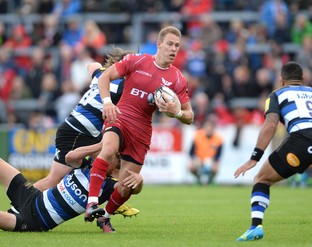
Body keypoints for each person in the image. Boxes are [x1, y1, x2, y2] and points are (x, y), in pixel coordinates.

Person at [84, 25, 194, 233]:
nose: (173, 49)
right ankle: (91, 204)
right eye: (169, 44)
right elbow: (104, 77)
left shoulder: (177, 79)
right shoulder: (137, 61)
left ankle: (104, 217)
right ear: (159, 44)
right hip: (121, 116)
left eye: (177, 46)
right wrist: (108, 102)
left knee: (128, 185)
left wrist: (176, 112)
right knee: (107, 150)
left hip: (142, 130)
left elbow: (190, 116)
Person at [0, 156, 143, 232]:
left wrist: (139, 182)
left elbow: (125, 191)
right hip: (33, 197)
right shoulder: (88, 164)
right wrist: (99, 148)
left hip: (33, 220)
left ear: (115, 168)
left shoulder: (107, 186)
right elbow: (70, 156)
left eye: (113, 156)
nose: (107, 155)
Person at [234, 61, 312, 241]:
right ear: (303, 79)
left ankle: (255, 226)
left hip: (301, 140)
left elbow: (270, 125)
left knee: (262, 179)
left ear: (281, 80)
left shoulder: (277, 94)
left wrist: (254, 159)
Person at [32, 47, 132, 191]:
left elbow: (92, 65)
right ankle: (20, 202)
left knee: (109, 164)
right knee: (54, 179)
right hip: (78, 131)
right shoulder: (124, 85)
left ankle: (110, 199)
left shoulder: (101, 75)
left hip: (77, 128)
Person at [188, 116, 223, 185]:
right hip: (199, 159)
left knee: (215, 167)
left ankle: (210, 180)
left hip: (210, 160)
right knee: (191, 167)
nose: (209, 129)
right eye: (207, 127)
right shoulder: (197, 136)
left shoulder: (218, 138)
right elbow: (191, 152)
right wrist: (194, 158)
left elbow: (219, 154)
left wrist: (214, 161)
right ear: (204, 128)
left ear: (213, 128)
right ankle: (198, 179)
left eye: (210, 127)